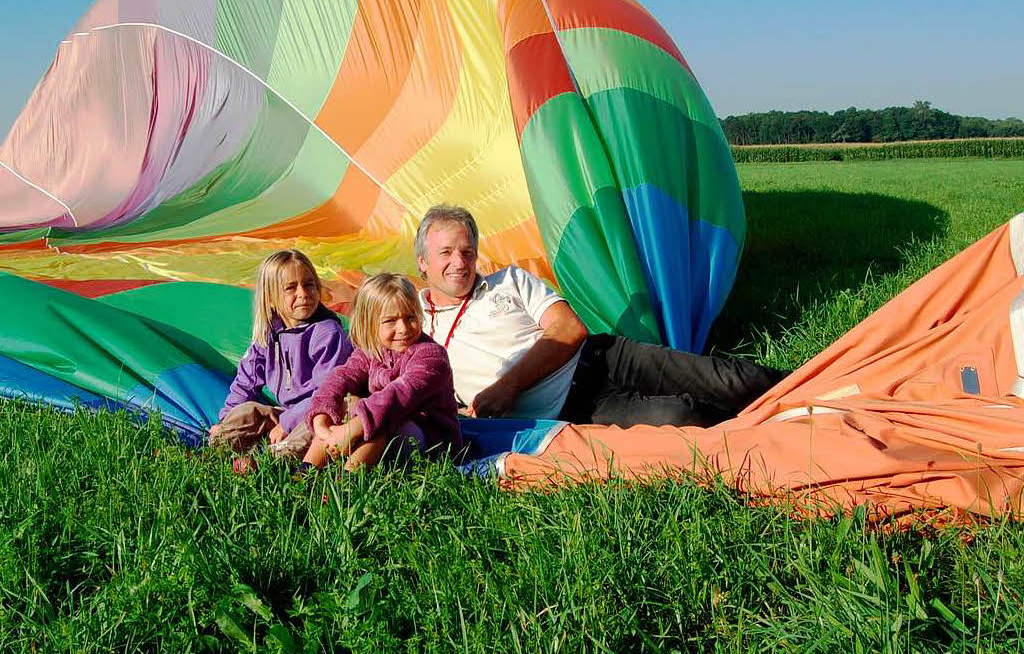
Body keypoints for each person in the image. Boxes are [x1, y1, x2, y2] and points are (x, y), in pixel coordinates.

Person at [414, 204, 788, 427]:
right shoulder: (413, 322)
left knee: (730, 379)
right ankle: (782, 427)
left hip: (603, 358)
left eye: (467, 251)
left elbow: (568, 328)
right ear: (422, 263)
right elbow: (375, 357)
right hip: (576, 408)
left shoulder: (510, 280)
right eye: (445, 253)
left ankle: (823, 386)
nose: (459, 263)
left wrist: (508, 385)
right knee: (680, 418)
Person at [302, 273, 463, 472]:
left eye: (410, 317)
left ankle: (349, 483)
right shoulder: (371, 351)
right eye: (390, 321)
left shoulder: (431, 356)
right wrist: (322, 416)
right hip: (387, 435)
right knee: (343, 406)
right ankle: (306, 474)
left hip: (433, 443)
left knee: (382, 420)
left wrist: (354, 428)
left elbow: (399, 396)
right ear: (370, 325)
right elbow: (342, 376)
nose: (403, 328)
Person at [209, 250, 353, 460]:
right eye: (290, 288)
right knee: (247, 412)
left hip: (321, 412)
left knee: (310, 430)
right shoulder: (269, 332)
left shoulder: (327, 333)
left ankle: (272, 462)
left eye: (309, 284)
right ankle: (221, 447)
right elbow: (246, 382)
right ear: (271, 298)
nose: (303, 294)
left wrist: (286, 423)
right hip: (285, 412)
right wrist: (224, 421)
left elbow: (327, 393)